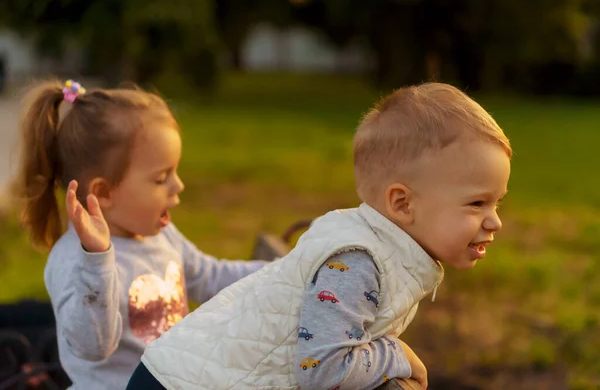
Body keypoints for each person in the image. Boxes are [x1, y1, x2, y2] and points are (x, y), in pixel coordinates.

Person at [129, 82, 512, 390]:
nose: (494, 221)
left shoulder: (384, 248)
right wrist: (395, 353)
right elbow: (324, 368)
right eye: (477, 203)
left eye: (497, 203)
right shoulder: (357, 262)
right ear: (402, 203)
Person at [12, 80, 271, 390]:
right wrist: (97, 260)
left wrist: (285, 267)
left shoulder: (160, 236)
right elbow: (93, 347)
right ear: (103, 192)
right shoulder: (75, 260)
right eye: (161, 178)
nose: (179, 186)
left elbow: (211, 275)